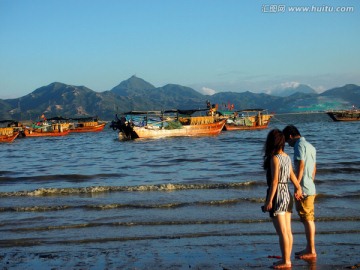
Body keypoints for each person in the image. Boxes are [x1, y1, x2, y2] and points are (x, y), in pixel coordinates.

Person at [263, 129, 303, 269]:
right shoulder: (286, 156)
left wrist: (269, 200)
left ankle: (286, 261)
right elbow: (292, 175)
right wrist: (298, 188)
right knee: (288, 231)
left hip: (278, 195)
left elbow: (274, 182)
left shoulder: (274, 158)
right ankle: (287, 259)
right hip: (287, 194)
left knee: (282, 233)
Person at [283, 125, 317, 260]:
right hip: (310, 186)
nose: (288, 144)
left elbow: (301, 165)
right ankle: (309, 247)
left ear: (291, 136)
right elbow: (314, 168)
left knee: (307, 219)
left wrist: (298, 186)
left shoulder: (298, 146)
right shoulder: (310, 146)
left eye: (287, 141)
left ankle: (311, 249)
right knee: (308, 218)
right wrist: (310, 182)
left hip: (303, 187)